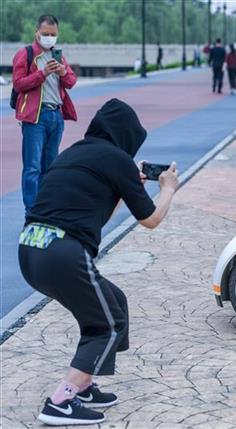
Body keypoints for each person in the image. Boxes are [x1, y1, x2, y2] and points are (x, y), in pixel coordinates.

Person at [19, 99, 179, 426]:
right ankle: (61, 401)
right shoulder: (118, 160)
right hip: (62, 252)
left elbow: (94, 210)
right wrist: (168, 189)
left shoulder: (74, 153)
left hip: (31, 249)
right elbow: (151, 219)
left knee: (112, 301)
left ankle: (84, 385)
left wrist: (125, 185)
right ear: (127, 137)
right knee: (107, 324)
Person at [12, 14, 77, 213]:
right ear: (37, 32)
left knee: (51, 167)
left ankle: (47, 210)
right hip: (35, 117)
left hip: (56, 116)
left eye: (53, 34)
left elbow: (71, 82)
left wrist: (63, 73)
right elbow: (19, 84)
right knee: (33, 167)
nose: (49, 38)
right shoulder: (26, 54)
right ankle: (31, 212)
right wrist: (43, 73)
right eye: (45, 34)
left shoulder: (59, 56)